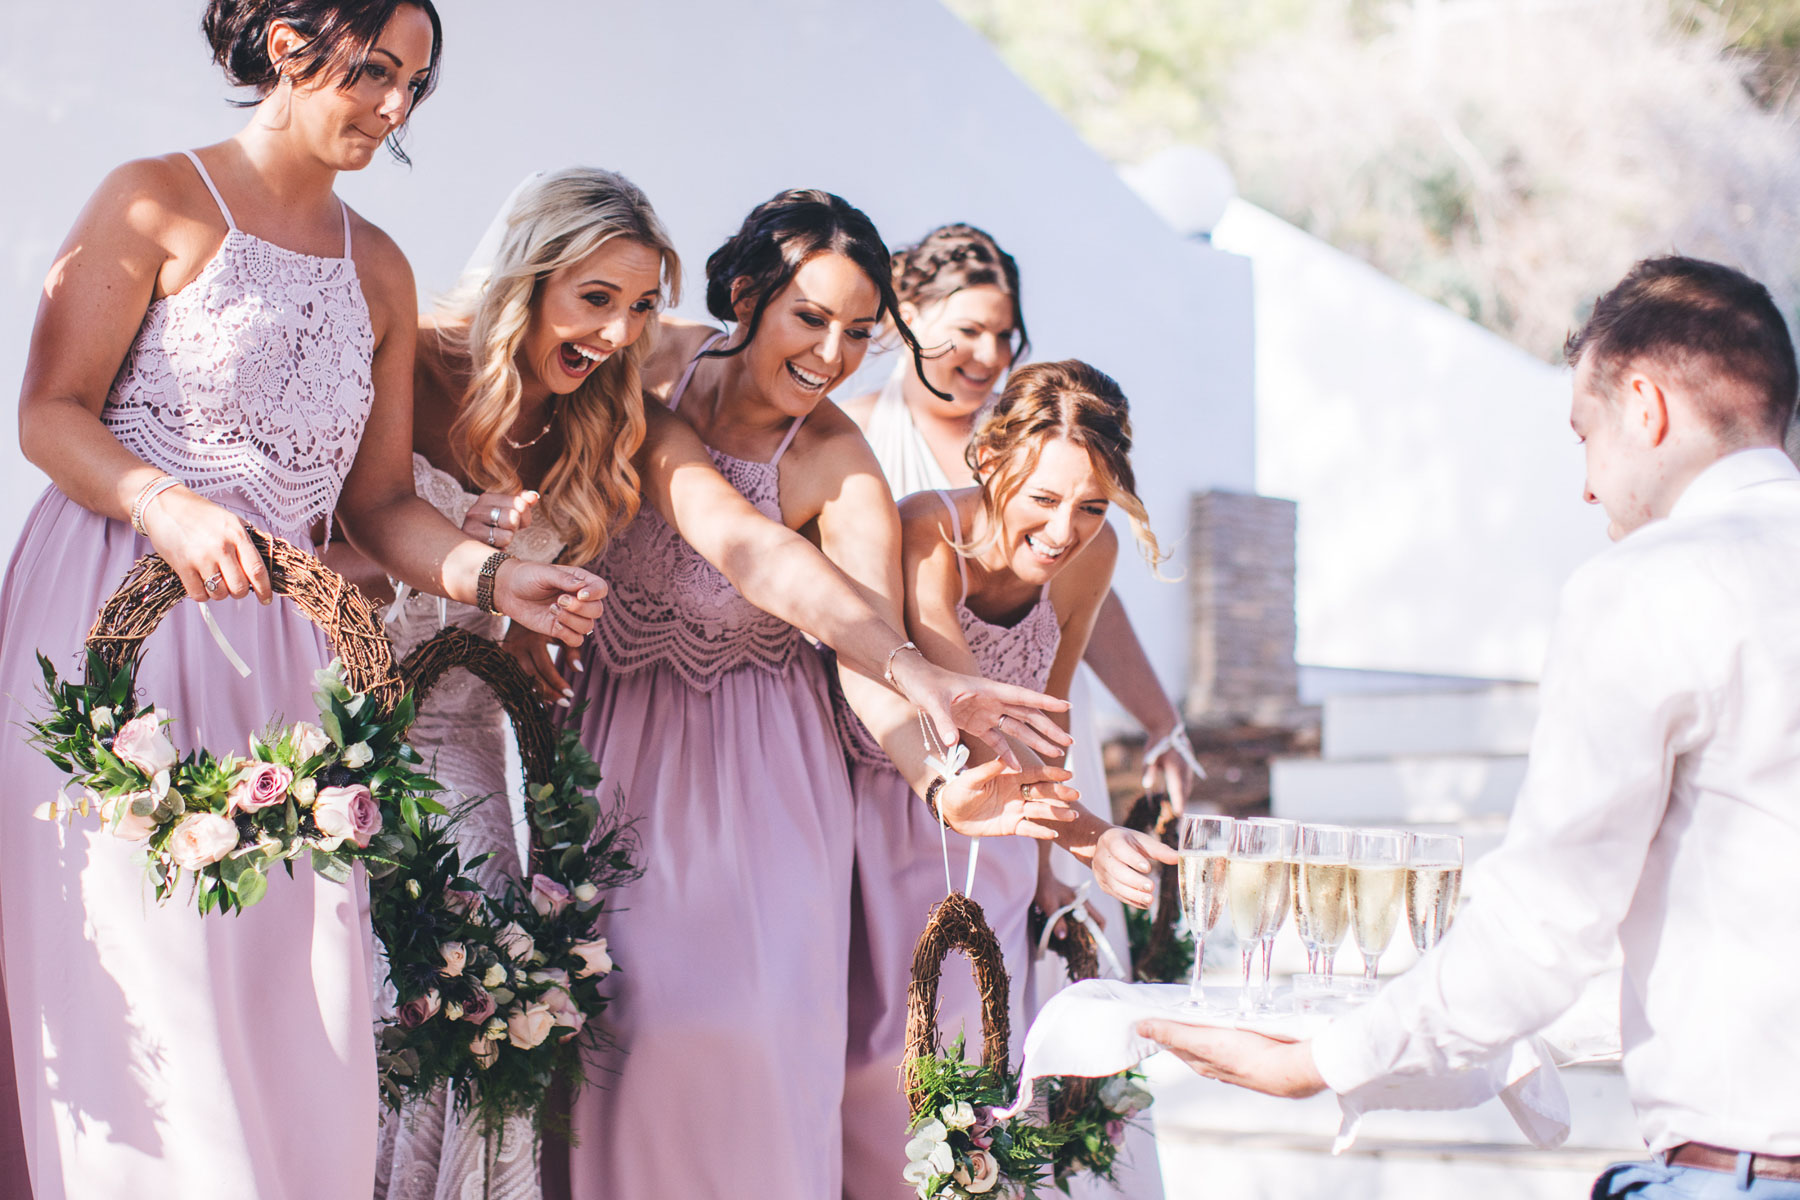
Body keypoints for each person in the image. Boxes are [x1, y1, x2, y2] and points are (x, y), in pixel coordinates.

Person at [0, 4, 610, 1196]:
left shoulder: (377, 265)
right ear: (288, 48)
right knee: (152, 978)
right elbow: (48, 410)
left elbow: (380, 505)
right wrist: (162, 504)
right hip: (116, 619)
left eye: (415, 87)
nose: (395, 109)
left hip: (283, 657)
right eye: (376, 75)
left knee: (293, 1000)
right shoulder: (153, 200)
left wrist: (499, 577)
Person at [1138, 256, 1800, 1198]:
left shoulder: (1651, 585)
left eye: (1586, 435)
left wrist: (1325, 1057)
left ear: (1645, 407)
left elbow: (1545, 926)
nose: (1585, 486)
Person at [556, 189, 1080, 1200]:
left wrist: (939, 778)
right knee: (598, 1029)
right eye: (811, 319)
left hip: (756, 780)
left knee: (726, 1039)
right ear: (747, 296)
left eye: (858, 333)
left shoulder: (840, 468)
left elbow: (867, 649)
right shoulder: (650, 358)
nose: (834, 354)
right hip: (609, 744)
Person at [838, 359, 1171, 1199]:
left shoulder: (1090, 563)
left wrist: (1064, 861)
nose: (1065, 531)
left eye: (1092, 507)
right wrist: (1093, 837)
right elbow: (976, 727)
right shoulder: (927, 535)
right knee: (884, 1059)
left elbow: (1045, 724)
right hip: (898, 808)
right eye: (1044, 500)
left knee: (987, 1054)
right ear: (990, 460)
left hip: (1012, 835)